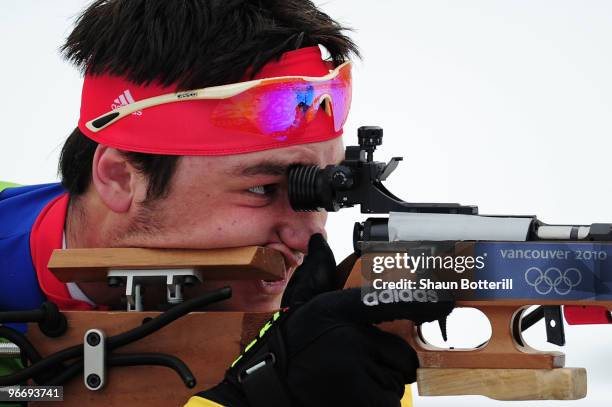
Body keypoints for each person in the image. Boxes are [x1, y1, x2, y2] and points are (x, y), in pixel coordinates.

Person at [0, 1, 453, 405]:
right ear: (120, 177)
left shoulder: (324, 350)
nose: (309, 234)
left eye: (324, 192)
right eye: (262, 189)